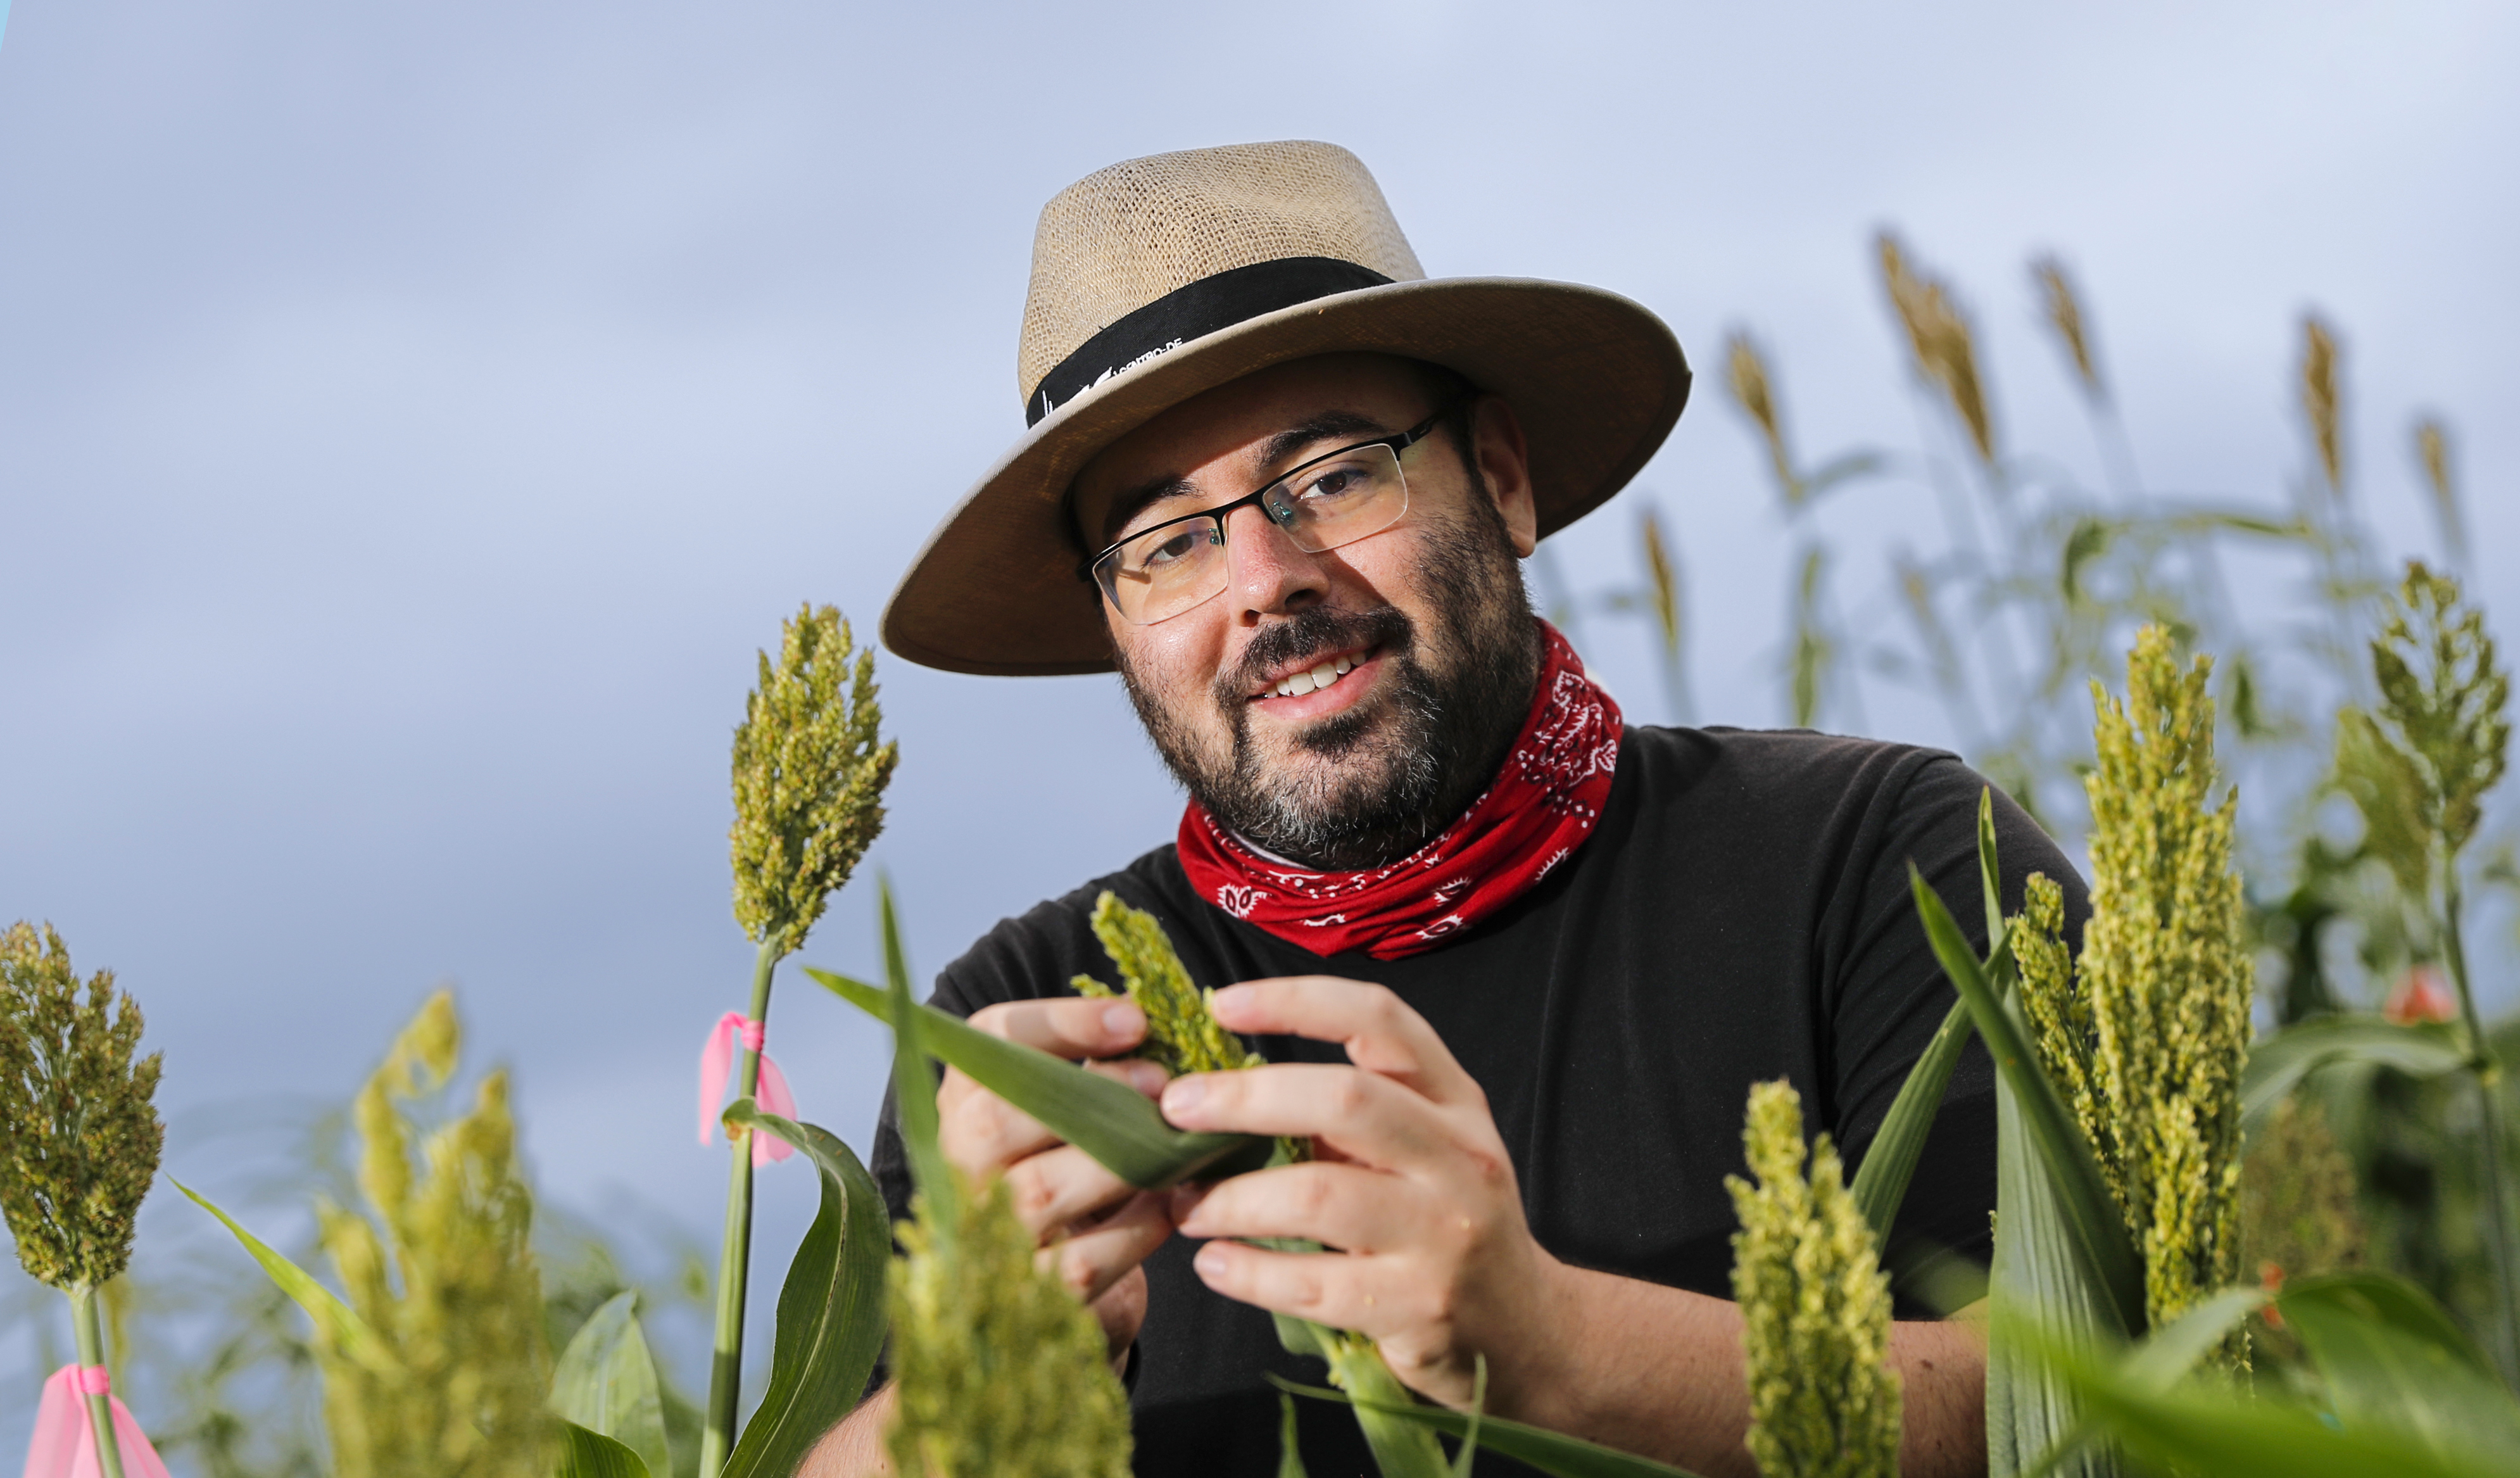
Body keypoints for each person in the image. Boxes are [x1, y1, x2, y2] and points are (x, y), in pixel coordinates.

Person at [805, 141, 2082, 1478]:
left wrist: (1549, 1348)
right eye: (1168, 542)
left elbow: (2086, 1397)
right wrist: (957, 1407)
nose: (1264, 581)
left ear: (1502, 479)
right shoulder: (1019, 1027)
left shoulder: (1882, 862)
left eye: (1336, 475)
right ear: (1118, 626)